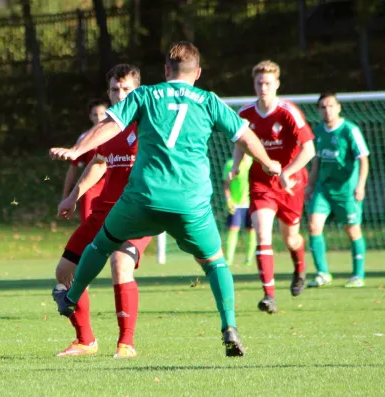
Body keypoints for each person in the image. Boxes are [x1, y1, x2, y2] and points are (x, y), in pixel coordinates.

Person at [50, 41, 282, 357]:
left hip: (143, 199)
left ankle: (72, 297)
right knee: (215, 263)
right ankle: (229, 326)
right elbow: (245, 135)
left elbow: (108, 125)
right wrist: (269, 163)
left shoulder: (145, 96)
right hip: (191, 203)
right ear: (197, 73)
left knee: (102, 245)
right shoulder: (209, 101)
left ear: (165, 71)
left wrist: (77, 150)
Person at [53, 64, 152, 359]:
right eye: (114, 89)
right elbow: (98, 162)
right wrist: (72, 197)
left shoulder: (149, 124)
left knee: (120, 264)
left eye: (126, 89)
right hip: (103, 213)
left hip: (137, 213)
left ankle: (126, 344)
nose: (119, 95)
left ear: (138, 91)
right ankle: (85, 341)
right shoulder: (107, 128)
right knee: (63, 272)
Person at [233, 60, 315, 314]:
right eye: (259, 82)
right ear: (254, 84)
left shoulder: (288, 111)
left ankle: (299, 267)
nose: (263, 87)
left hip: (290, 184)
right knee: (262, 235)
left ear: (277, 84)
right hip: (261, 183)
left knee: (290, 238)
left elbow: (309, 149)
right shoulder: (245, 113)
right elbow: (240, 142)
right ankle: (269, 296)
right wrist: (237, 165)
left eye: (268, 82)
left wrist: (287, 172)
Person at [305, 92, 370, 288]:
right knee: (313, 225)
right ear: (318, 110)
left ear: (339, 107)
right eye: (323, 107)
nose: (327, 110)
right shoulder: (316, 132)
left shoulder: (350, 130)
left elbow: (363, 159)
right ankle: (322, 273)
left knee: (352, 230)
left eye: (331, 106)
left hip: (346, 191)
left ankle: (358, 275)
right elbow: (316, 161)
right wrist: (310, 184)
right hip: (323, 190)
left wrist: (360, 185)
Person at [61, 99, 108, 222]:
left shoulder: (118, 135)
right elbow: (73, 168)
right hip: (90, 189)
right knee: (89, 229)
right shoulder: (85, 139)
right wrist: (66, 197)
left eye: (102, 114)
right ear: (90, 117)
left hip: (111, 189)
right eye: (95, 114)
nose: (99, 118)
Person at [223, 154, 256, 267]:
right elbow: (226, 184)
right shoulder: (230, 164)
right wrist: (228, 199)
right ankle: (228, 259)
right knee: (232, 229)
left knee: (251, 230)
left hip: (251, 203)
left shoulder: (254, 163)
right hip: (235, 204)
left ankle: (249, 259)